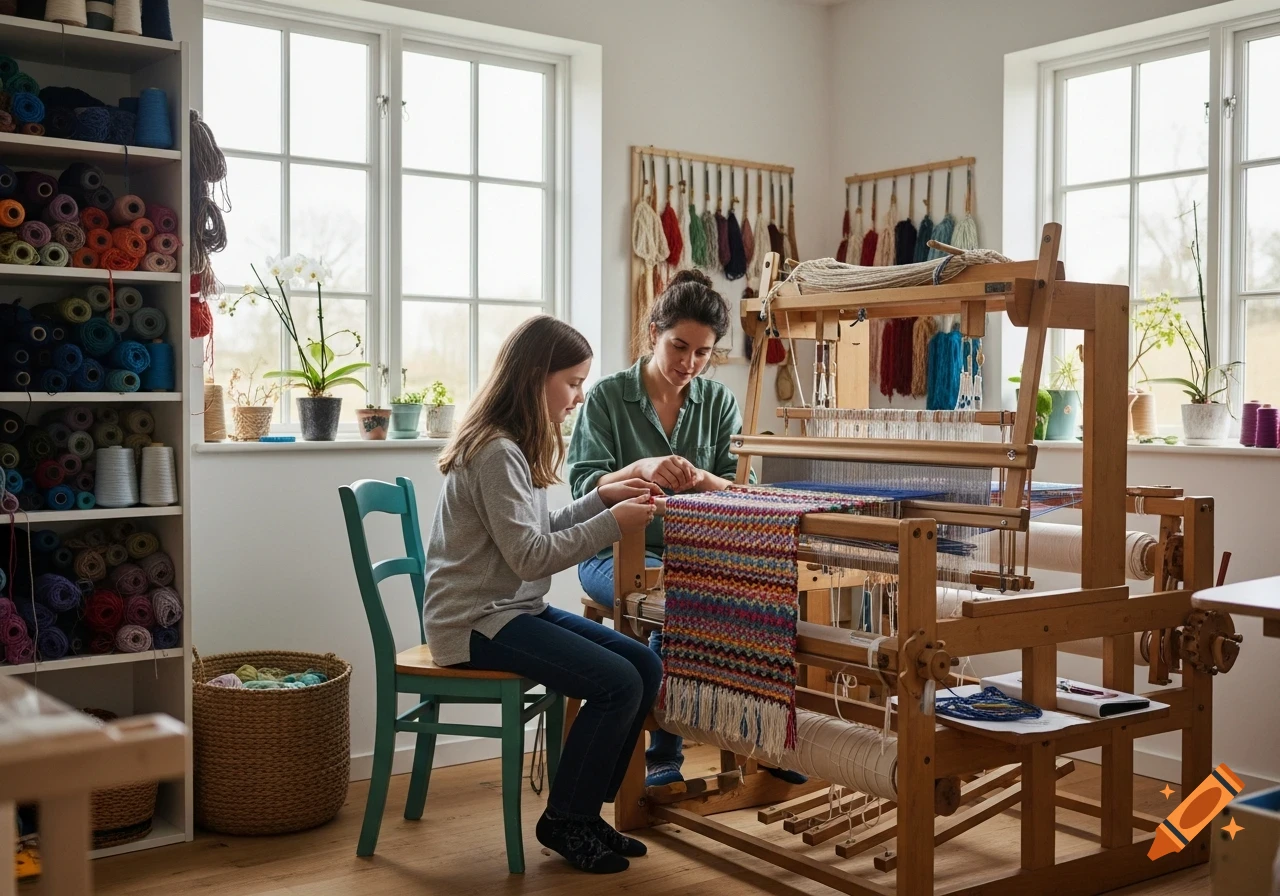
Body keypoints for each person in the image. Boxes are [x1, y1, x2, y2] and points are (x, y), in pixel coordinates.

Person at [424, 315, 664, 875]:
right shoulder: (495, 452)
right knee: (618, 683)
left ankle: (579, 811)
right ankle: (567, 817)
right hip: (473, 623)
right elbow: (531, 555)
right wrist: (614, 523)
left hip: (511, 610)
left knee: (644, 667)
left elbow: (541, 527)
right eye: (573, 382)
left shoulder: (513, 446)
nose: (579, 396)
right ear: (536, 378)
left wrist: (601, 497)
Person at [567, 269, 805, 789]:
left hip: (694, 555)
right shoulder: (608, 397)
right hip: (610, 554)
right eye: (679, 346)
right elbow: (582, 487)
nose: (688, 363)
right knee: (677, 603)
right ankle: (661, 753)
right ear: (654, 332)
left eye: (702, 353)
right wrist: (641, 468)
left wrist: (702, 479)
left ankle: (757, 737)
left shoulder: (717, 402)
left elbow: (745, 489)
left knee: (766, 597)